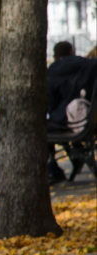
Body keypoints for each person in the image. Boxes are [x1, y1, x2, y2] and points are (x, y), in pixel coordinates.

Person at [46, 41, 97, 184]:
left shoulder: (53, 70)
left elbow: (50, 102)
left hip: (67, 121)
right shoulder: (90, 65)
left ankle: (54, 170)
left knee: (42, 129)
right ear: (72, 52)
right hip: (90, 119)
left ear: (55, 56)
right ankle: (77, 156)